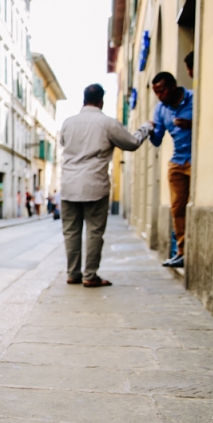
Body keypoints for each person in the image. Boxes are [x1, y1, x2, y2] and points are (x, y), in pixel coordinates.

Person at [60, 84, 152, 287]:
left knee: (71, 232)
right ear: (101, 100)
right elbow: (131, 143)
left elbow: (63, 143)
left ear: (83, 99)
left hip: (68, 185)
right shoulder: (107, 123)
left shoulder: (68, 123)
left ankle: (73, 273)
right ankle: (90, 275)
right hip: (94, 185)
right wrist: (146, 127)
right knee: (94, 231)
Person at [149, 72, 193, 268]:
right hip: (177, 162)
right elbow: (157, 140)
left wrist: (191, 124)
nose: (159, 96)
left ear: (173, 86)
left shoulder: (194, 98)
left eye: (161, 90)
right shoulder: (160, 109)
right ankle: (181, 252)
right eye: (156, 92)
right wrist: (151, 130)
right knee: (177, 208)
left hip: (195, 159)